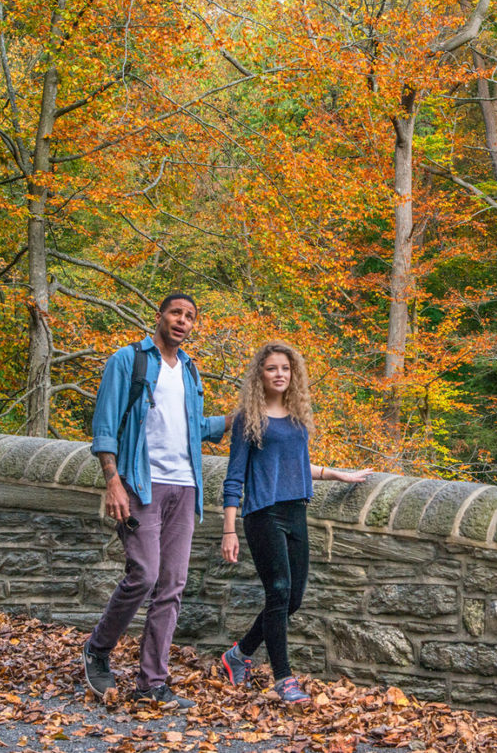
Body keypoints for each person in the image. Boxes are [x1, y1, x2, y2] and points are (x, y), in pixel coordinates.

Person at [82, 293, 230, 711]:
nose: (182, 321)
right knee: (144, 575)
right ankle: (97, 648)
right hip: (142, 486)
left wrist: (234, 420)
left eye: (190, 317)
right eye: (176, 313)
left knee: (172, 586)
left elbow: (193, 426)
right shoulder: (129, 360)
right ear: (160, 316)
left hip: (185, 487)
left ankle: (152, 683)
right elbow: (105, 428)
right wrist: (114, 482)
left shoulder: (188, 369)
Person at [218, 342, 370, 703]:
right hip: (263, 514)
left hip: (296, 511)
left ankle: (237, 655)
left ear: (293, 373)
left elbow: (298, 465)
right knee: (279, 591)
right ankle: (283, 679)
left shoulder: (298, 416)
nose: (280, 374)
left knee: (294, 599)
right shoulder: (247, 419)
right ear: (261, 374)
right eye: (272, 368)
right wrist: (229, 528)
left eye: (285, 368)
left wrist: (337, 475)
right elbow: (234, 476)